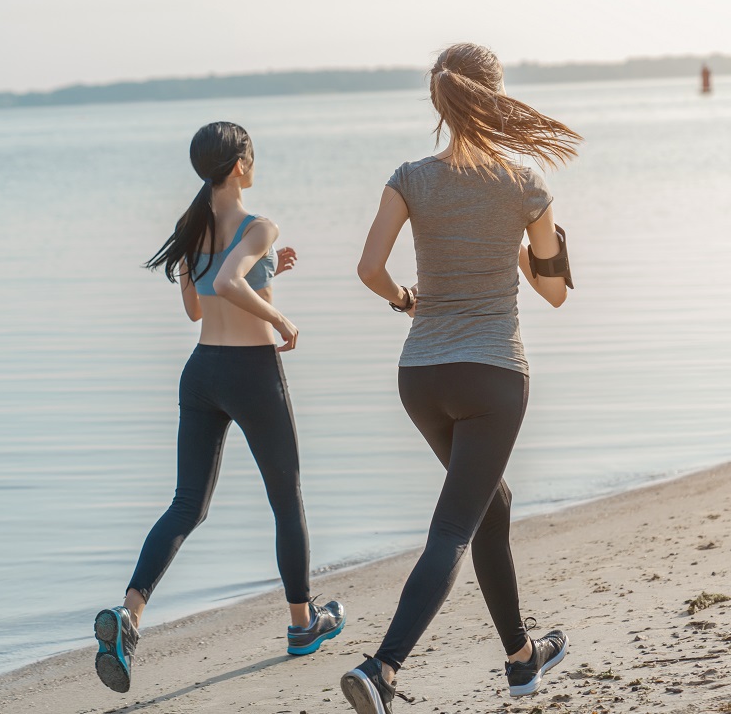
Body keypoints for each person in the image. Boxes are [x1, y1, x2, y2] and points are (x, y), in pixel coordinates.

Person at [341, 43, 580, 713]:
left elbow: (368, 269)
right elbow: (554, 292)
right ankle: (383, 667)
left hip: (420, 375)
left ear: (438, 101)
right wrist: (548, 244)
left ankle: (521, 659)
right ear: (495, 98)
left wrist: (405, 300)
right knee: (453, 528)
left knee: (489, 506)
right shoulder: (524, 181)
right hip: (491, 376)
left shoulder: (410, 177)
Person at [92, 122, 344, 694]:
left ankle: (129, 615)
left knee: (187, 505)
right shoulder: (260, 225)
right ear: (238, 167)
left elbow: (198, 307)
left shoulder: (192, 226)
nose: (255, 165)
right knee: (287, 498)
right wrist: (282, 318)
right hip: (253, 374)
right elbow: (231, 279)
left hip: (201, 373)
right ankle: (303, 626)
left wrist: (272, 269)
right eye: (252, 157)